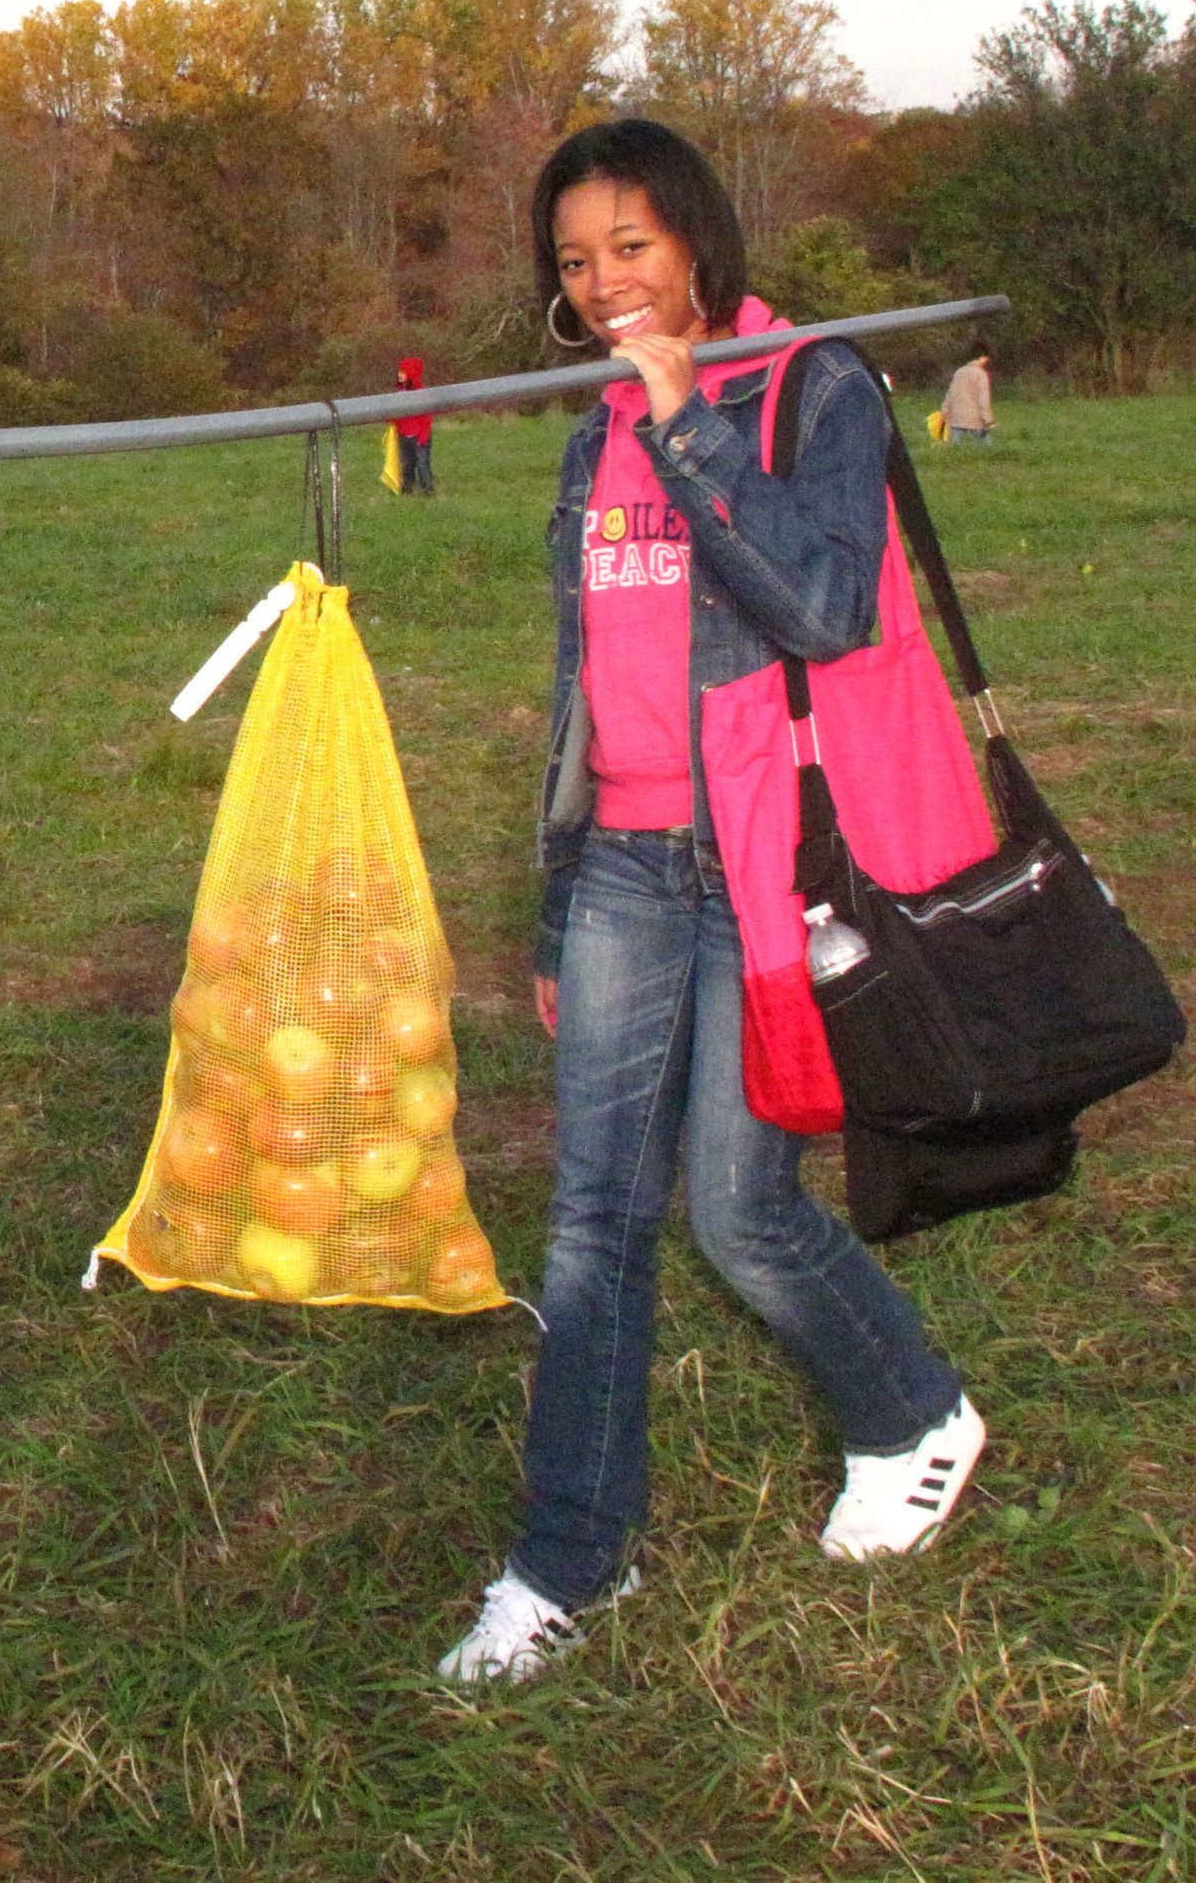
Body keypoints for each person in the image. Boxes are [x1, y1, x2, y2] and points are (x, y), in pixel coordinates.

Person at [438, 118, 984, 1686]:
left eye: (632, 246)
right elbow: (579, 687)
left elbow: (821, 599)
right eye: (575, 259)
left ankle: (914, 1414)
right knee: (593, 1225)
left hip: (766, 879)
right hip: (622, 866)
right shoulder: (590, 432)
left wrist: (691, 426)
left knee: (740, 1213)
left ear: (698, 241)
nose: (606, 283)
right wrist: (555, 913)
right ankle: (566, 1560)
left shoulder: (815, 388)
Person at [392, 356, 436, 494]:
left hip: (419, 436)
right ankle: (407, 489)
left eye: (403, 372)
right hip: (404, 435)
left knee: (422, 464)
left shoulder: (421, 394)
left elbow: (426, 418)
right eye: (399, 371)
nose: (399, 374)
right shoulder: (399, 393)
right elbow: (396, 413)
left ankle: (428, 489)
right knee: (407, 464)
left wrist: (423, 435)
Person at [943, 347, 995, 445]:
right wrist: (988, 420)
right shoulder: (981, 374)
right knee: (987, 449)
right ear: (982, 357)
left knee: (955, 450)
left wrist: (945, 411)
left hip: (956, 419)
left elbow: (950, 394)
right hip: (975, 420)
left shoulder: (959, 372)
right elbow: (983, 400)